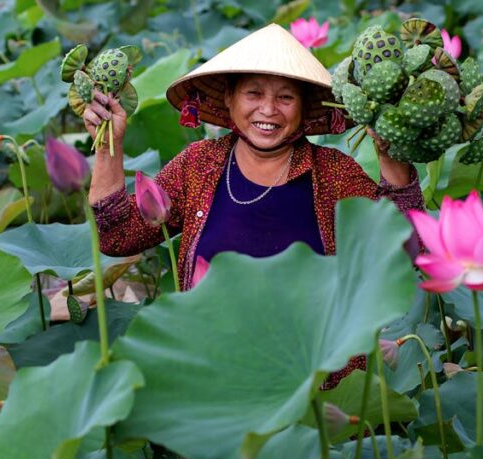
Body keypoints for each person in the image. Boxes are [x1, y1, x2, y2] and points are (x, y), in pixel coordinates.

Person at [83, 24, 424, 386]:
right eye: (253, 93)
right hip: (213, 374)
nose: (268, 110)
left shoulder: (334, 173)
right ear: (229, 99)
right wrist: (109, 146)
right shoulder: (199, 164)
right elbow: (117, 237)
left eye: (285, 98)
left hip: (316, 382)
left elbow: (403, 252)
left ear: (305, 107)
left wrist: (391, 157)